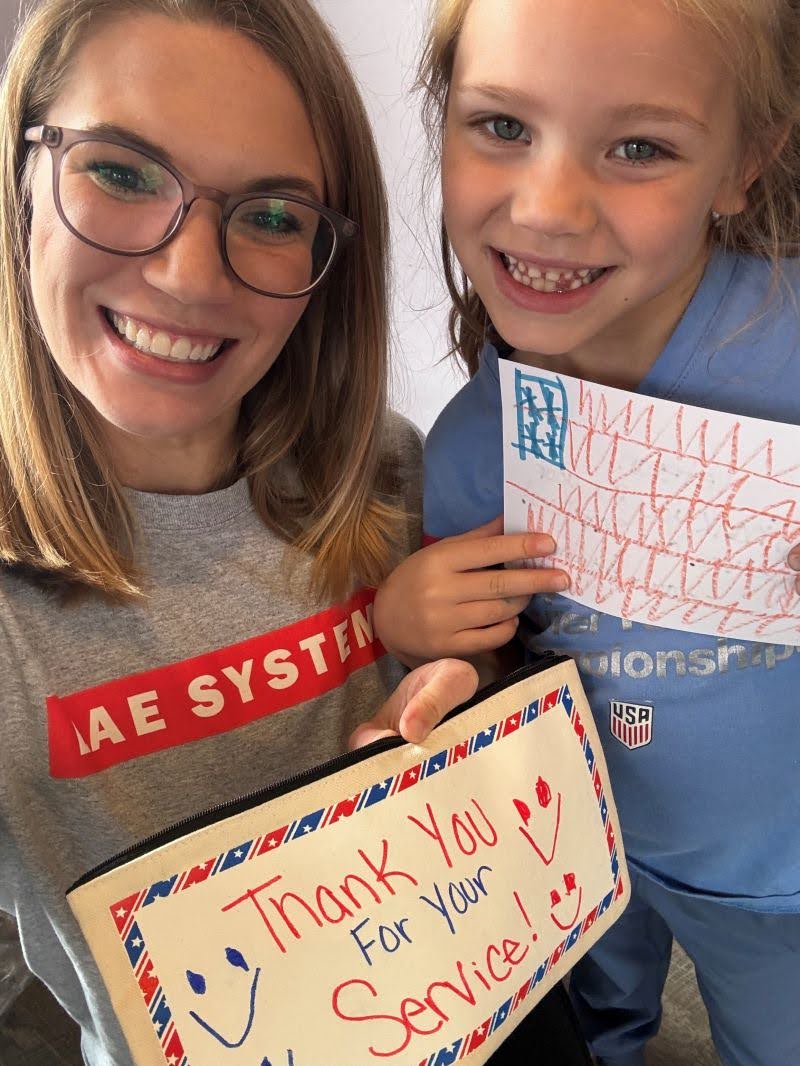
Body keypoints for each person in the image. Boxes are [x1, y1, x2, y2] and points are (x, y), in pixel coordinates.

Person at [0, 0, 487, 1061]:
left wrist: (462, 718)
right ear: (22, 173)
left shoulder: (395, 474)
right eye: (122, 173)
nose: (187, 275)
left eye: (270, 213)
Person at [374, 1, 800, 1064]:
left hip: (775, 881)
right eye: (502, 127)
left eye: (637, 147)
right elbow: (490, 664)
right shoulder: (475, 438)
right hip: (577, 846)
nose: (549, 207)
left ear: (744, 162)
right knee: (589, 1030)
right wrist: (418, 622)